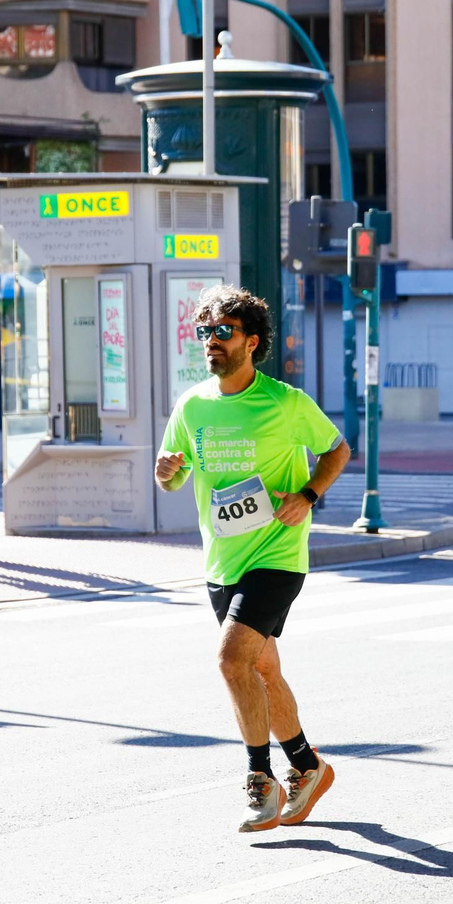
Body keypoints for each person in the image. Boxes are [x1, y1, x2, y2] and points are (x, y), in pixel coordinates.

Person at [155, 285, 352, 832]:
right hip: (223, 560)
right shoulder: (192, 405)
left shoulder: (285, 403)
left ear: (251, 340)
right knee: (262, 668)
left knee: (230, 658)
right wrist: (167, 471)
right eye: (205, 333)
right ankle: (309, 767)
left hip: (277, 554)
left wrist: (308, 496)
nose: (211, 342)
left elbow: (337, 448)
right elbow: (172, 476)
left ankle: (260, 777)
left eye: (223, 332)